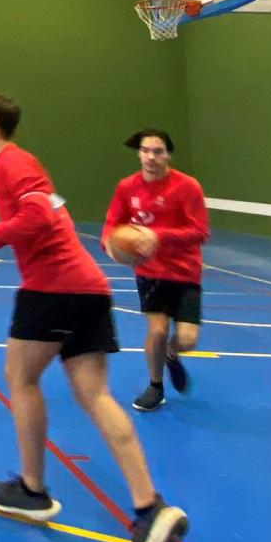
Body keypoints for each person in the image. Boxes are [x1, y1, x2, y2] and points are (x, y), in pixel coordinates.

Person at [0, 93, 188, 542]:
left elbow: (39, 216)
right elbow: (49, 210)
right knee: (95, 395)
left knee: (20, 379)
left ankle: (32, 490)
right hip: (89, 288)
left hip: (53, 289)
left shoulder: (10, 163)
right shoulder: (24, 165)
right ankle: (151, 509)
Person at [103, 128, 210, 412]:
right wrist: (111, 247)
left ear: (168, 154)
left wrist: (158, 236)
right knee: (157, 331)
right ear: (139, 153)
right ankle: (155, 386)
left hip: (185, 271)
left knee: (187, 339)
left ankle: (173, 355)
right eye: (145, 151)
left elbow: (200, 231)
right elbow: (112, 224)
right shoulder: (127, 187)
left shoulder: (187, 187)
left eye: (158, 151)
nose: (151, 157)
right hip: (149, 272)